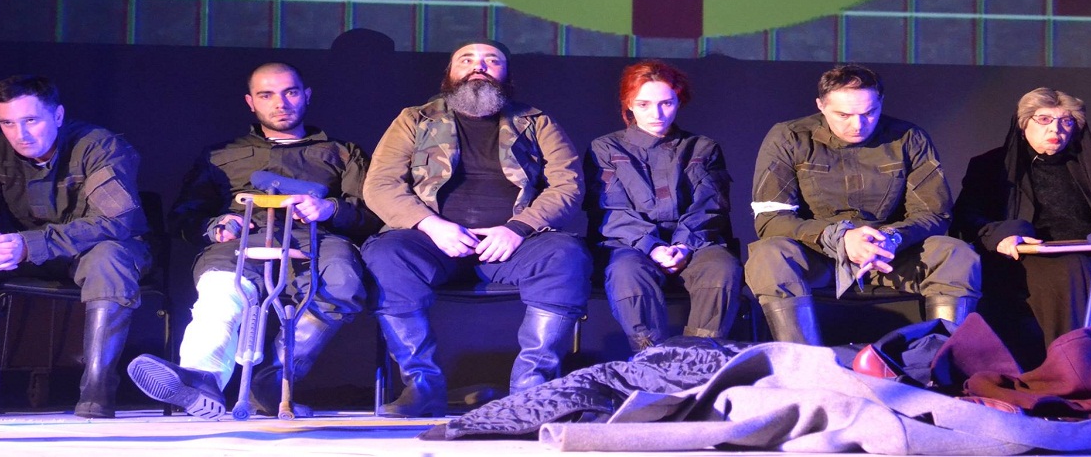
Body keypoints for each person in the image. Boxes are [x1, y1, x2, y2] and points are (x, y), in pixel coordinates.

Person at [127, 62, 377, 418]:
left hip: (315, 239)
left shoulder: (342, 152)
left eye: (291, 92)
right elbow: (183, 217)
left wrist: (329, 208)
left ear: (306, 96)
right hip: (243, 239)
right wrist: (216, 225)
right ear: (251, 102)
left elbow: (372, 213)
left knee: (342, 283)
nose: (281, 103)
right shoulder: (220, 155)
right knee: (222, 292)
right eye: (267, 95)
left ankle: (272, 384)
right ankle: (201, 377)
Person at [362, 39, 592, 417]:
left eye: (491, 60)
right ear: (450, 74)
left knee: (566, 256)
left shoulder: (537, 122)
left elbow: (568, 185)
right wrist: (432, 225)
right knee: (386, 255)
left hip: (513, 245)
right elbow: (380, 185)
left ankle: (529, 391)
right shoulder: (414, 119)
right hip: (432, 242)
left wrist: (518, 228)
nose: (478, 66)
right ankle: (422, 386)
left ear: (506, 74)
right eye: (466, 59)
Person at [0, 75, 151, 418]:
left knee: (109, 259)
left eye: (31, 120)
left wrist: (29, 245)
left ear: (57, 116)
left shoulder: (99, 146)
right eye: (7, 123)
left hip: (95, 250)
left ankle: (96, 396)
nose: (20, 134)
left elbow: (113, 223)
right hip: (29, 254)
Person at [746, 64, 980, 344]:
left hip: (888, 255)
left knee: (956, 254)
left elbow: (934, 213)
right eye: (843, 115)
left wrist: (892, 237)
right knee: (769, 256)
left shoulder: (908, 137)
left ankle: (943, 358)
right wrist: (840, 238)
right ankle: (803, 360)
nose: (858, 125)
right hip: (820, 256)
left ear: (881, 102)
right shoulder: (789, 137)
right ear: (821, 106)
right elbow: (771, 219)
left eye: (869, 112)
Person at [953, 88, 1091, 369]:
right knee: (1072, 268)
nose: (1056, 129)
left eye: (1066, 121)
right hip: (1027, 256)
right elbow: (968, 216)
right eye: (1044, 119)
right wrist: (1002, 234)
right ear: (1024, 123)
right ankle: (1072, 368)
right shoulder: (991, 166)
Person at [585, 60, 742, 351]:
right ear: (629, 105)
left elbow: (709, 206)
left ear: (678, 101)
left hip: (696, 244)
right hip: (630, 245)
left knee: (722, 268)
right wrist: (652, 246)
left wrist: (683, 245)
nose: (656, 114)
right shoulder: (605, 148)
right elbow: (611, 210)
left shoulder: (702, 147)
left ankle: (699, 355)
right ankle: (652, 356)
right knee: (626, 272)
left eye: (666, 103)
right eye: (644, 105)